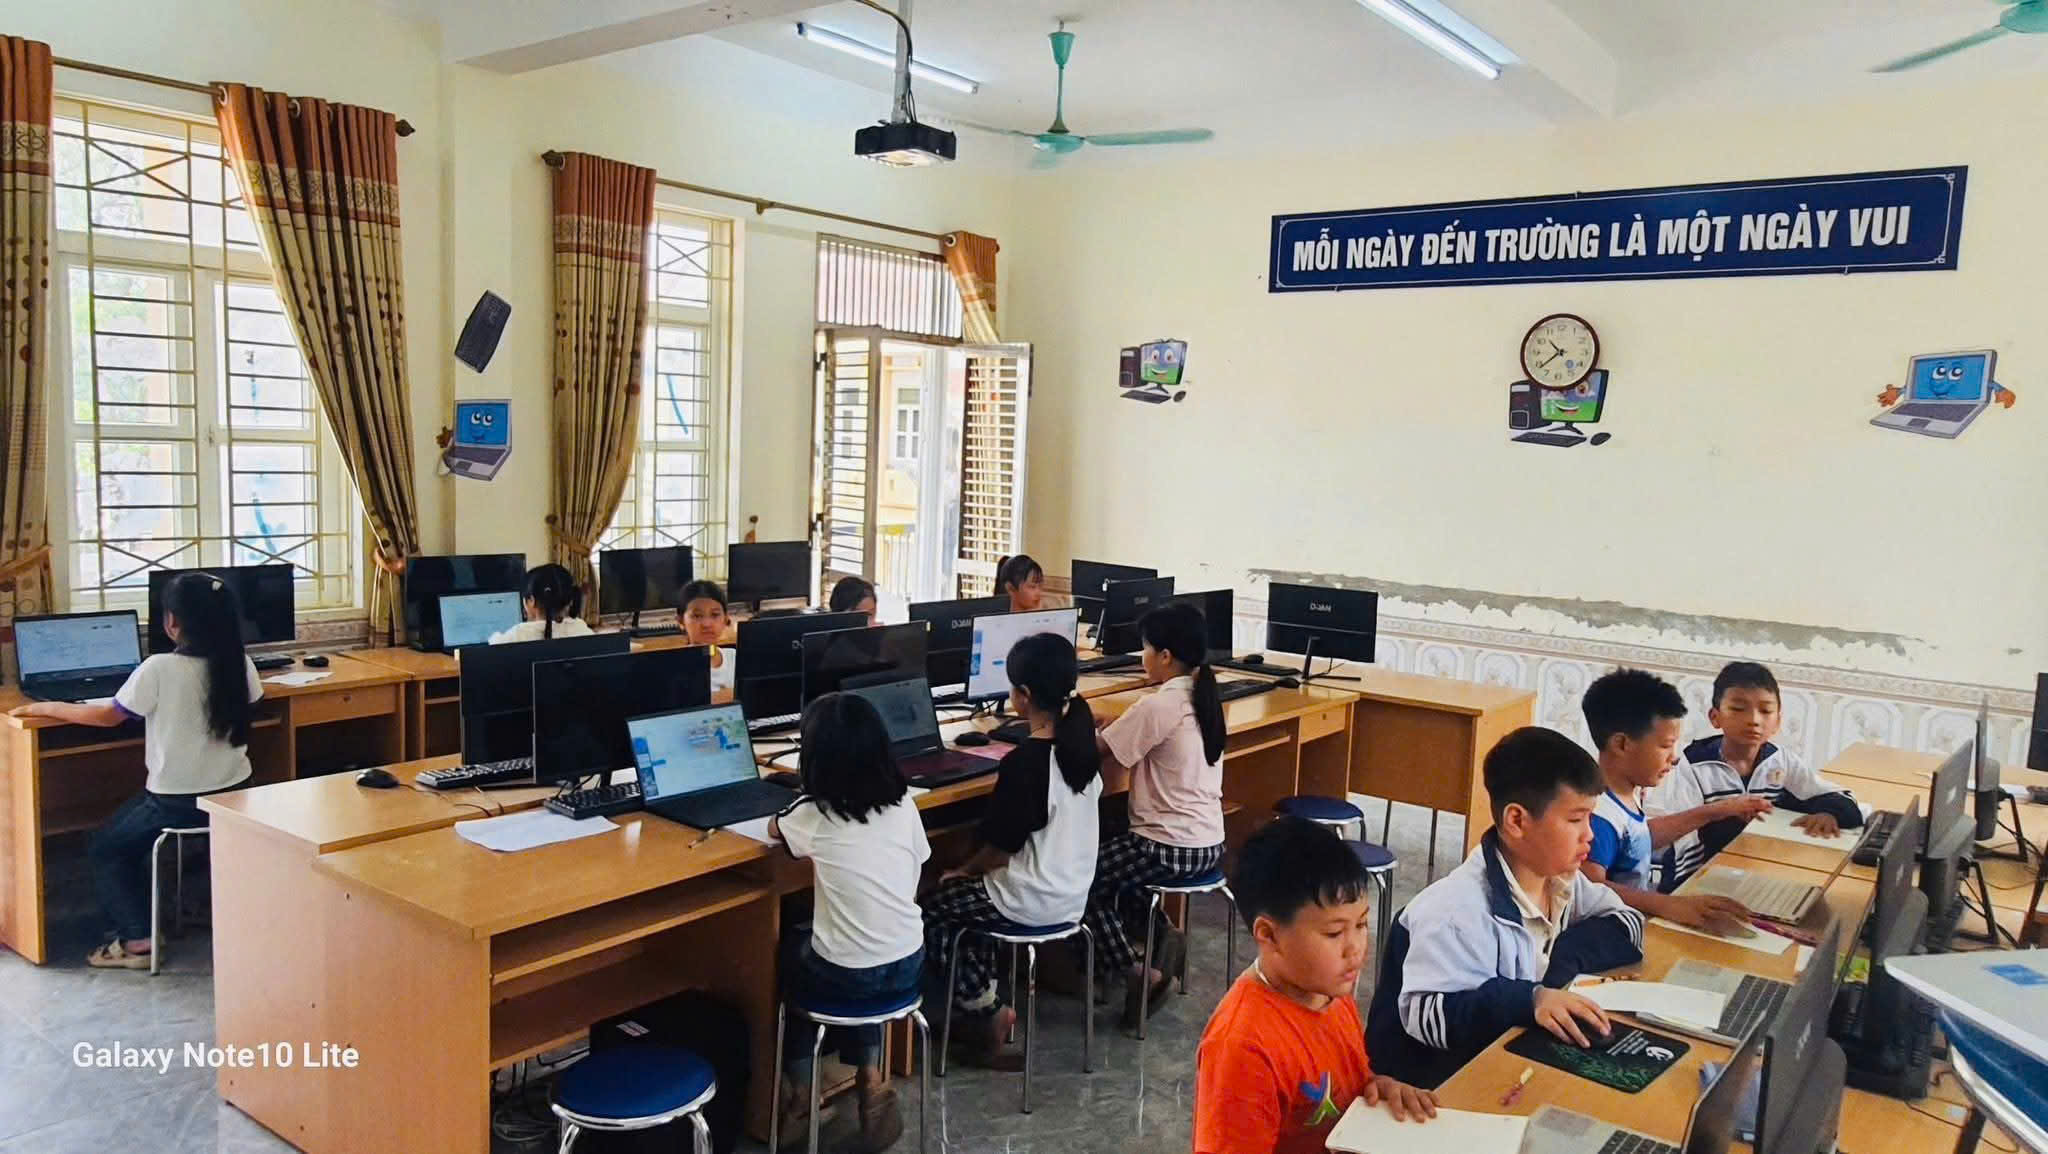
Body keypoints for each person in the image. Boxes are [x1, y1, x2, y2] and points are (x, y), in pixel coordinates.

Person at [10, 573, 264, 969]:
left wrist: (46, 707)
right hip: (234, 795)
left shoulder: (158, 668)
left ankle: (137, 939)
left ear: (172, 622)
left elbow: (108, 716)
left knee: (106, 847)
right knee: (138, 835)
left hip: (176, 803)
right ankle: (191, 906)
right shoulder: (240, 664)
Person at [1367, 727, 1645, 1088]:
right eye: (1576, 819)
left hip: (1511, 1060)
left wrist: (1558, 969)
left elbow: (1629, 923)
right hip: (1434, 1088)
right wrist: (1528, 999)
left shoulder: (1559, 880)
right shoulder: (1453, 912)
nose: (1589, 834)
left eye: (1591, 818)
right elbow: (1428, 1018)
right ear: (1517, 821)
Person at [1197, 819, 1436, 1154]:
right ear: (1269, 935)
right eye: (1334, 933)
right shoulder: (1242, 1046)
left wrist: (1378, 1089)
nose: (1355, 949)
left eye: (1361, 924)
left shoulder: (1329, 989)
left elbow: (1343, 1088)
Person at [921, 632, 1101, 1069]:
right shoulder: (1081, 749)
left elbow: (998, 854)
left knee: (930, 907)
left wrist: (962, 870)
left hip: (1027, 900)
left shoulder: (1025, 764)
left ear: (1022, 696)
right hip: (1073, 896)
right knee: (967, 900)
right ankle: (983, 998)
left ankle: (987, 1010)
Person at [768, 692, 930, 1150]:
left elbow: (774, 830)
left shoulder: (814, 814)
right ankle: (872, 1082)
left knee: (790, 956)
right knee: (858, 954)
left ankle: (801, 1094)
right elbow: (918, 862)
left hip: (848, 975)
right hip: (910, 962)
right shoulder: (904, 804)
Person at [1083, 600, 1227, 1030]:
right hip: (1208, 844)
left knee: (1077, 877)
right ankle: (1162, 934)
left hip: (1166, 847)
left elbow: (1097, 751)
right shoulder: (1202, 698)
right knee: (1114, 863)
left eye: (1145, 648)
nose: (1141, 657)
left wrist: (1069, 727)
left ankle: (1135, 971)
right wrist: (1119, 721)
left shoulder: (1158, 706)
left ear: (1165, 656)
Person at [1648, 661, 1862, 891]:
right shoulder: (1695, 766)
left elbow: (1836, 796)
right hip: (1700, 874)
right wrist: (1689, 890)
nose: (1754, 720)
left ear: (1777, 721)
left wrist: (1829, 813)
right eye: (1738, 709)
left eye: (1766, 711)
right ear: (1715, 717)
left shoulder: (1780, 760)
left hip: (1759, 869)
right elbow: (1685, 840)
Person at [1579, 669, 1754, 933]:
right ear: (1621, 744)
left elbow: (1637, 840)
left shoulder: (1624, 794)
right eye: (1665, 745)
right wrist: (1667, 905)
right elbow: (1590, 888)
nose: (1674, 757)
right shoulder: (1599, 816)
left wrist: (1715, 811)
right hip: (1612, 934)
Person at [488, 563, 593, 644]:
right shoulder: (581, 628)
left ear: (531, 601)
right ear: (570, 600)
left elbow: (494, 644)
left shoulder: (518, 634)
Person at [679, 579, 734, 703]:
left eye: (715, 615)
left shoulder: (735, 658)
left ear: (726, 619)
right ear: (681, 621)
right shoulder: (675, 668)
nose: (707, 624)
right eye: (697, 616)